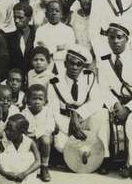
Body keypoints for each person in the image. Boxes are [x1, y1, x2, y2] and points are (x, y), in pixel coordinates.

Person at [96, 22, 132, 181]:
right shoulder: (103, 60)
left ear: (127, 39)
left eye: (119, 37)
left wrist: (127, 109)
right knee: (101, 116)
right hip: (115, 104)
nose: (115, 41)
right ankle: (104, 158)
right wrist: (115, 105)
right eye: (111, 37)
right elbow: (103, 89)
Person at [47, 44, 110, 174]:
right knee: (61, 146)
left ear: (83, 66)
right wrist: (70, 127)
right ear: (65, 63)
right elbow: (53, 110)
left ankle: (104, 158)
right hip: (64, 121)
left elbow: (97, 101)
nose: (75, 67)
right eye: (71, 63)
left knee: (102, 114)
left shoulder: (89, 77)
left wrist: (78, 114)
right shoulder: (54, 82)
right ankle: (70, 159)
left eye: (79, 64)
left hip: (83, 118)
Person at [0, 114, 41, 184]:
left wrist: (24, 174)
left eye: (11, 130)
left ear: (22, 132)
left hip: (24, 178)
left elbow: (38, 162)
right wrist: (5, 174)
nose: (6, 132)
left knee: (29, 157)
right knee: (2, 157)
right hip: (5, 179)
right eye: (6, 128)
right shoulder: (3, 142)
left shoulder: (30, 142)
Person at [22, 84, 55, 181]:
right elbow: (22, 127)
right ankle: (30, 166)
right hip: (30, 139)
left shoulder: (47, 111)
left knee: (45, 139)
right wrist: (28, 135)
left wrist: (36, 134)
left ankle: (44, 166)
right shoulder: (25, 112)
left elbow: (50, 127)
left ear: (45, 100)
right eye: (34, 99)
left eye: (40, 99)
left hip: (43, 138)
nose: (37, 102)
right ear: (28, 100)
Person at [5, 3, 36, 73]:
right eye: (15, 17)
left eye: (20, 18)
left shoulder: (37, 36)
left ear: (29, 18)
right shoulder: (8, 38)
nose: (16, 21)